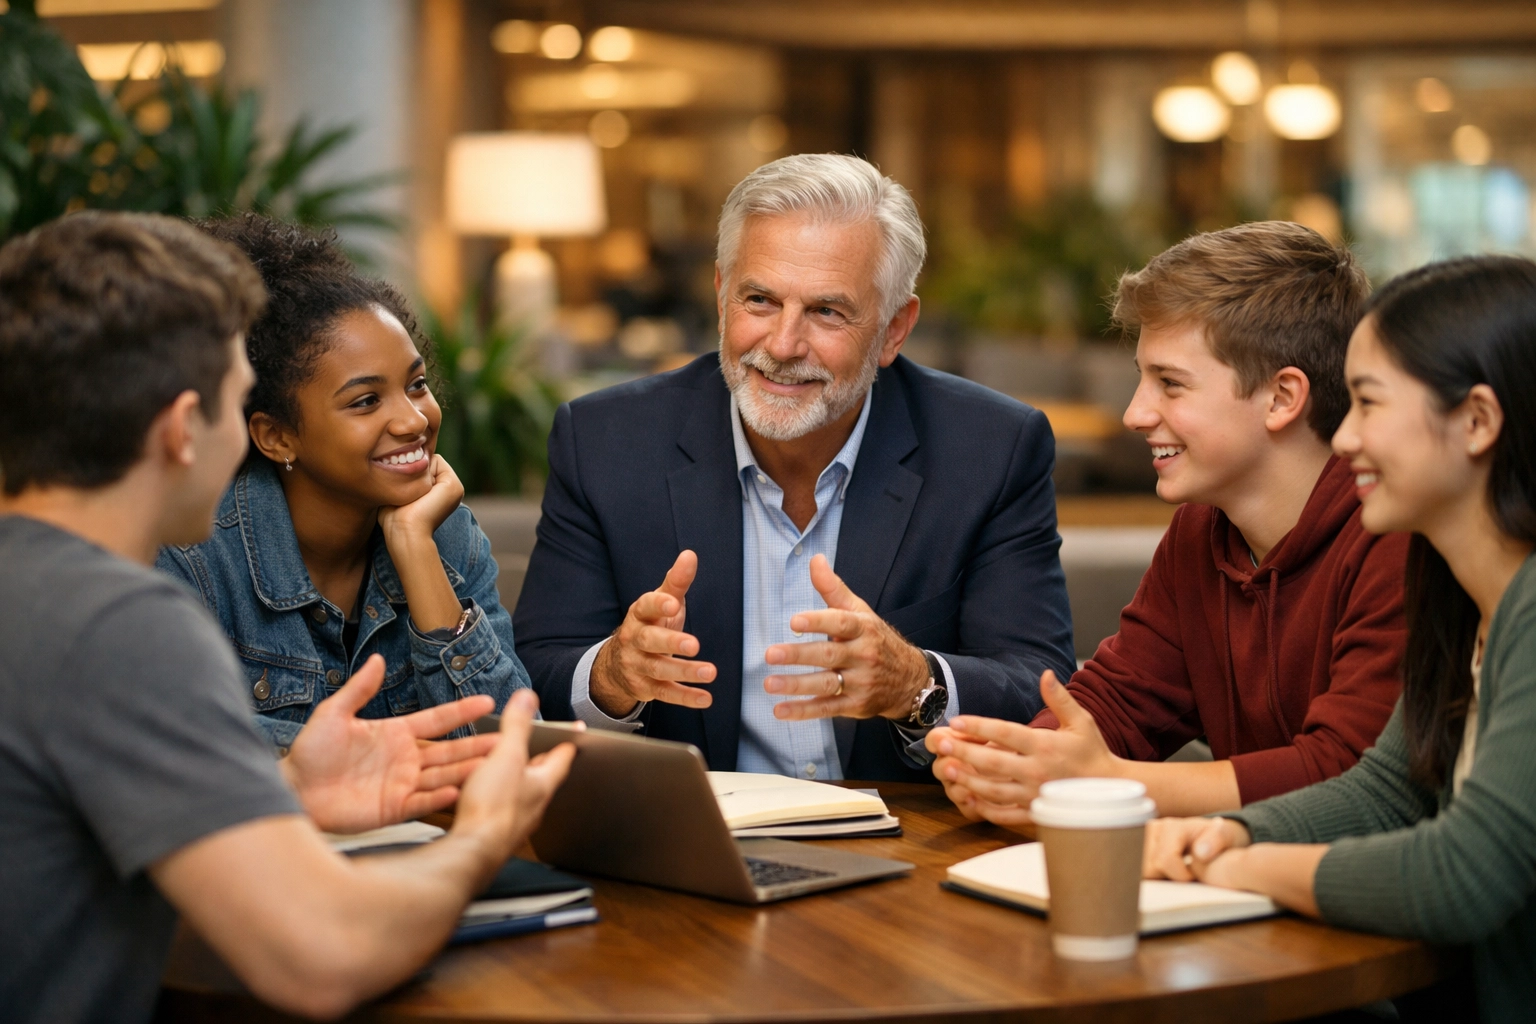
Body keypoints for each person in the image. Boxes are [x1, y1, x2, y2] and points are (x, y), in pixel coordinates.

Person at [0, 212, 573, 1024]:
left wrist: (286, 784)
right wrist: (483, 839)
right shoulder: (119, 623)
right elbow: (322, 957)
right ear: (183, 430)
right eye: (237, 404)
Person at [514, 153, 1077, 782]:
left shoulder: (991, 449)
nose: (782, 345)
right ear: (721, 296)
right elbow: (533, 674)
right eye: (759, 300)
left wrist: (914, 684)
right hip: (696, 825)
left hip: (907, 826)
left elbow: (1040, 691)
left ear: (894, 329)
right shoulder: (605, 442)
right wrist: (612, 675)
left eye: (827, 311)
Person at [1144, 255, 1536, 1022]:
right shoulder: (1457, 592)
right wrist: (1224, 834)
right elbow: (1387, 791)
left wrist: (1245, 867)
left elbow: (1464, 875)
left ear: (1478, 421)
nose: (1345, 435)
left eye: (1368, 403)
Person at [928, 222, 1406, 821]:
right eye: (1141, 377)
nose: (1133, 413)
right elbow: (1121, 699)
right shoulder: (1202, 528)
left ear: (1283, 397)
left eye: (1170, 384)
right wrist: (1020, 763)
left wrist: (1108, 783)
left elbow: (1350, 774)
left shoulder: (1396, 535)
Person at [157, 214, 530, 752]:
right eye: (366, 401)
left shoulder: (446, 533)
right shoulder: (196, 555)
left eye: (416, 384)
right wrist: (377, 757)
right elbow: (184, 745)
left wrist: (415, 548)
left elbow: (510, 744)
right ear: (277, 437)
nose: (414, 420)